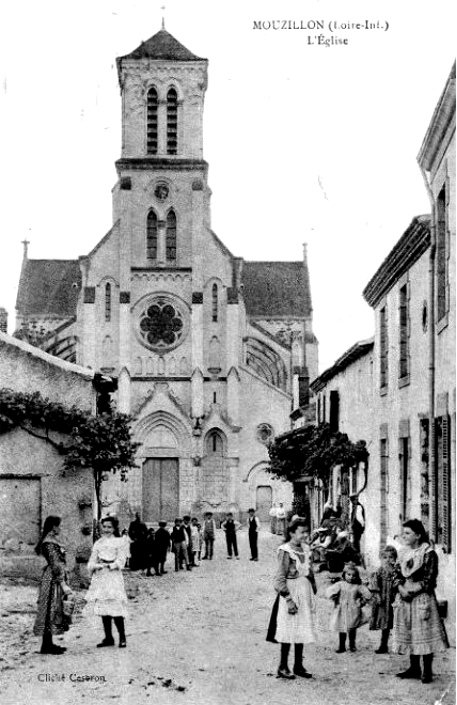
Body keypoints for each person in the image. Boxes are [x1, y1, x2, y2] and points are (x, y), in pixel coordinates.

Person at [392, 519, 449, 684]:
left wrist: (414, 591)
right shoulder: (403, 552)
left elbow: (430, 579)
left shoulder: (428, 553)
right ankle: (414, 667)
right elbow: (396, 574)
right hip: (405, 597)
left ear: (418, 535)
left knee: (424, 633)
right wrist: (401, 589)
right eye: (403, 533)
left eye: (408, 533)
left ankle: (427, 670)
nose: (404, 536)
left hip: (421, 597)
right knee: (410, 631)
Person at [266, 518, 317, 679]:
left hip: (303, 591)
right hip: (290, 591)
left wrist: (312, 585)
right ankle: (282, 666)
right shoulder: (285, 550)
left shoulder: (307, 549)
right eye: (301, 532)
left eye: (306, 532)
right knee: (288, 628)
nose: (305, 535)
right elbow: (279, 578)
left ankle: (298, 666)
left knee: (301, 627)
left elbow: (309, 570)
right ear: (292, 533)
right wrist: (288, 599)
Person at [85, 516, 129, 648]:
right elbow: (92, 561)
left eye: (109, 527)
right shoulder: (98, 543)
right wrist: (94, 566)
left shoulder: (120, 542)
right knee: (103, 606)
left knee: (115, 605)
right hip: (101, 577)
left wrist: (110, 565)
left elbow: (121, 561)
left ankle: (122, 636)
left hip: (113, 576)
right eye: (104, 527)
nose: (106, 529)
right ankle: (108, 637)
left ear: (115, 528)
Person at [33, 515, 73, 654]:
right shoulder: (49, 542)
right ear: (53, 526)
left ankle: (48, 644)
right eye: (59, 525)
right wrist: (63, 584)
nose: (60, 528)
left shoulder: (50, 541)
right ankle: (46, 646)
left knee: (51, 610)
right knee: (51, 610)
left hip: (52, 578)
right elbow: (55, 565)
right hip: (53, 580)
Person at [326, 561, 371, 653]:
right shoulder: (340, 584)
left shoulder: (357, 586)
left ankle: (352, 645)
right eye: (349, 574)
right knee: (342, 628)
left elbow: (367, 594)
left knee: (351, 627)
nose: (351, 577)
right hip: (341, 609)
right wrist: (333, 596)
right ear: (344, 574)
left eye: (353, 575)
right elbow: (330, 590)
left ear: (357, 576)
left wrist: (362, 602)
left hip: (353, 609)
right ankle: (341, 646)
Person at [369, 545, 397, 653]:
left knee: (397, 621)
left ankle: (399, 645)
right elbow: (375, 583)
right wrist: (378, 596)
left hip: (394, 598)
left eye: (391, 557)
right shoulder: (380, 570)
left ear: (394, 558)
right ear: (381, 559)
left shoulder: (396, 570)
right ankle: (383, 645)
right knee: (385, 622)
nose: (388, 560)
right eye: (385, 557)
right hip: (384, 599)